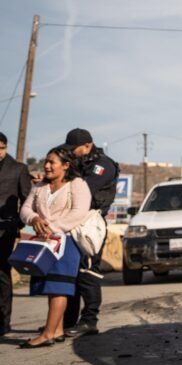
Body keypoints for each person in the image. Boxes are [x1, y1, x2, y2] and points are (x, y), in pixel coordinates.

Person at [18, 147, 91, 347]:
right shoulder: (40, 186)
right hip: (44, 243)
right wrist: (33, 219)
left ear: (66, 166)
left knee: (59, 287)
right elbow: (25, 208)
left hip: (66, 242)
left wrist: (52, 228)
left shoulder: (77, 184)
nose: (47, 166)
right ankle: (57, 330)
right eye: (46, 162)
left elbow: (78, 212)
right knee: (50, 287)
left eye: (52, 162)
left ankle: (48, 333)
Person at [61, 128, 118, 337]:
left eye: (74, 149)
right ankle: (67, 321)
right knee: (71, 273)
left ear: (87, 146)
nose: (71, 153)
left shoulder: (103, 165)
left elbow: (84, 190)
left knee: (88, 272)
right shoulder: (78, 164)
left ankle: (89, 321)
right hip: (73, 221)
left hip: (90, 222)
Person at [0, 132, 33, 337]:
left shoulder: (18, 168)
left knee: (2, 274)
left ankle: (3, 321)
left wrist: (17, 223)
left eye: (1, 147)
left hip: (5, 229)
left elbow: (27, 200)